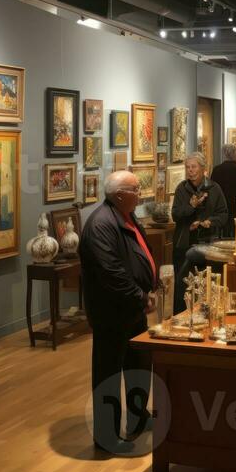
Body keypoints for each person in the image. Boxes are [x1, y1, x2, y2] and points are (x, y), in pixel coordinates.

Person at [79, 171, 156, 456]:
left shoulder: (125, 215)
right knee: (109, 374)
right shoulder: (101, 224)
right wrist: (140, 296)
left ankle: (137, 417)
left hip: (132, 308)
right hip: (112, 312)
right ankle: (106, 436)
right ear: (120, 194)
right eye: (136, 189)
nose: (141, 192)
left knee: (138, 365)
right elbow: (112, 272)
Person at [172, 152, 228, 311]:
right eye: (187, 167)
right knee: (183, 285)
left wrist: (209, 222)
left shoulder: (214, 188)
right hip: (184, 243)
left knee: (207, 286)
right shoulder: (181, 188)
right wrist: (192, 207)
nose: (190, 170)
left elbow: (223, 214)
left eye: (194, 167)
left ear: (203, 168)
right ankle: (181, 315)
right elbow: (176, 215)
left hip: (209, 244)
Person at [211, 144, 236, 237]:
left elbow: (213, 190)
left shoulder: (217, 170)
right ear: (234, 154)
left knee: (221, 236)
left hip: (221, 208)